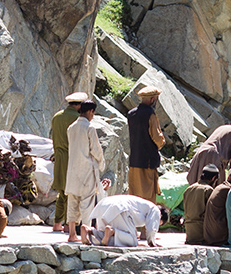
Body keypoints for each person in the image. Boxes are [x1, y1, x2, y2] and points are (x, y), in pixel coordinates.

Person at [65, 100, 112, 243]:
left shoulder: (71, 127)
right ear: (91, 111)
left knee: (72, 200)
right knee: (87, 203)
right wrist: (101, 164)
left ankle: (72, 233)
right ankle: (84, 235)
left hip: (72, 170)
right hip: (86, 170)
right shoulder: (89, 128)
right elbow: (96, 150)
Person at [50, 92, 87, 232]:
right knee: (71, 192)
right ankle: (67, 225)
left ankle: (57, 223)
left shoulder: (57, 116)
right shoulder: (78, 119)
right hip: (71, 157)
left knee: (61, 190)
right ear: (79, 105)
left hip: (58, 156)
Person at [81, 195, 168, 247]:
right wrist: (152, 243)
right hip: (120, 207)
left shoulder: (143, 205)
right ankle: (112, 231)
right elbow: (151, 229)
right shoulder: (155, 210)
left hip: (104, 204)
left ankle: (90, 230)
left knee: (106, 236)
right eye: (159, 223)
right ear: (160, 216)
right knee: (133, 241)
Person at [127, 86, 165, 202]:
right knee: (147, 196)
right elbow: (157, 138)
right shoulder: (150, 114)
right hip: (147, 162)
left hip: (134, 160)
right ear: (153, 99)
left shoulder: (131, 114)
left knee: (134, 194)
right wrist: (161, 144)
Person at [203, 166, 231, 246]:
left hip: (211, 235)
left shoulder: (221, 186)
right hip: (218, 236)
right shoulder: (228, 190)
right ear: (229, 177)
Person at [182, 163, 221, 244]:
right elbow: (212, 214)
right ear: (213, 178)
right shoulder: (208, 190)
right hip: (201, 234)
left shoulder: (189, 189)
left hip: (189, 232)